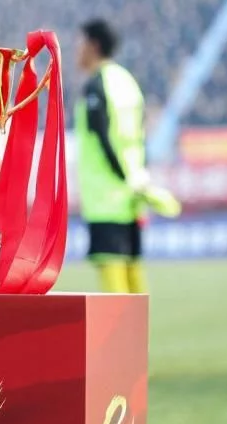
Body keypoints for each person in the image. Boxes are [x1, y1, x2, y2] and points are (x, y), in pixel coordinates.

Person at [75, 19, 148, 294]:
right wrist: (134, 179)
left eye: (80, 43)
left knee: (114, 286)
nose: (77, 50)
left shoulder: (97, 85)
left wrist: (120, 176)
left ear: (93, 45)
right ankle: (140, 325)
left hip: (106, 198)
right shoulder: (128, 81)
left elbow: (104, 139)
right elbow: (139, 136)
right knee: (133, 277)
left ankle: (121, 326)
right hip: (132, 197)